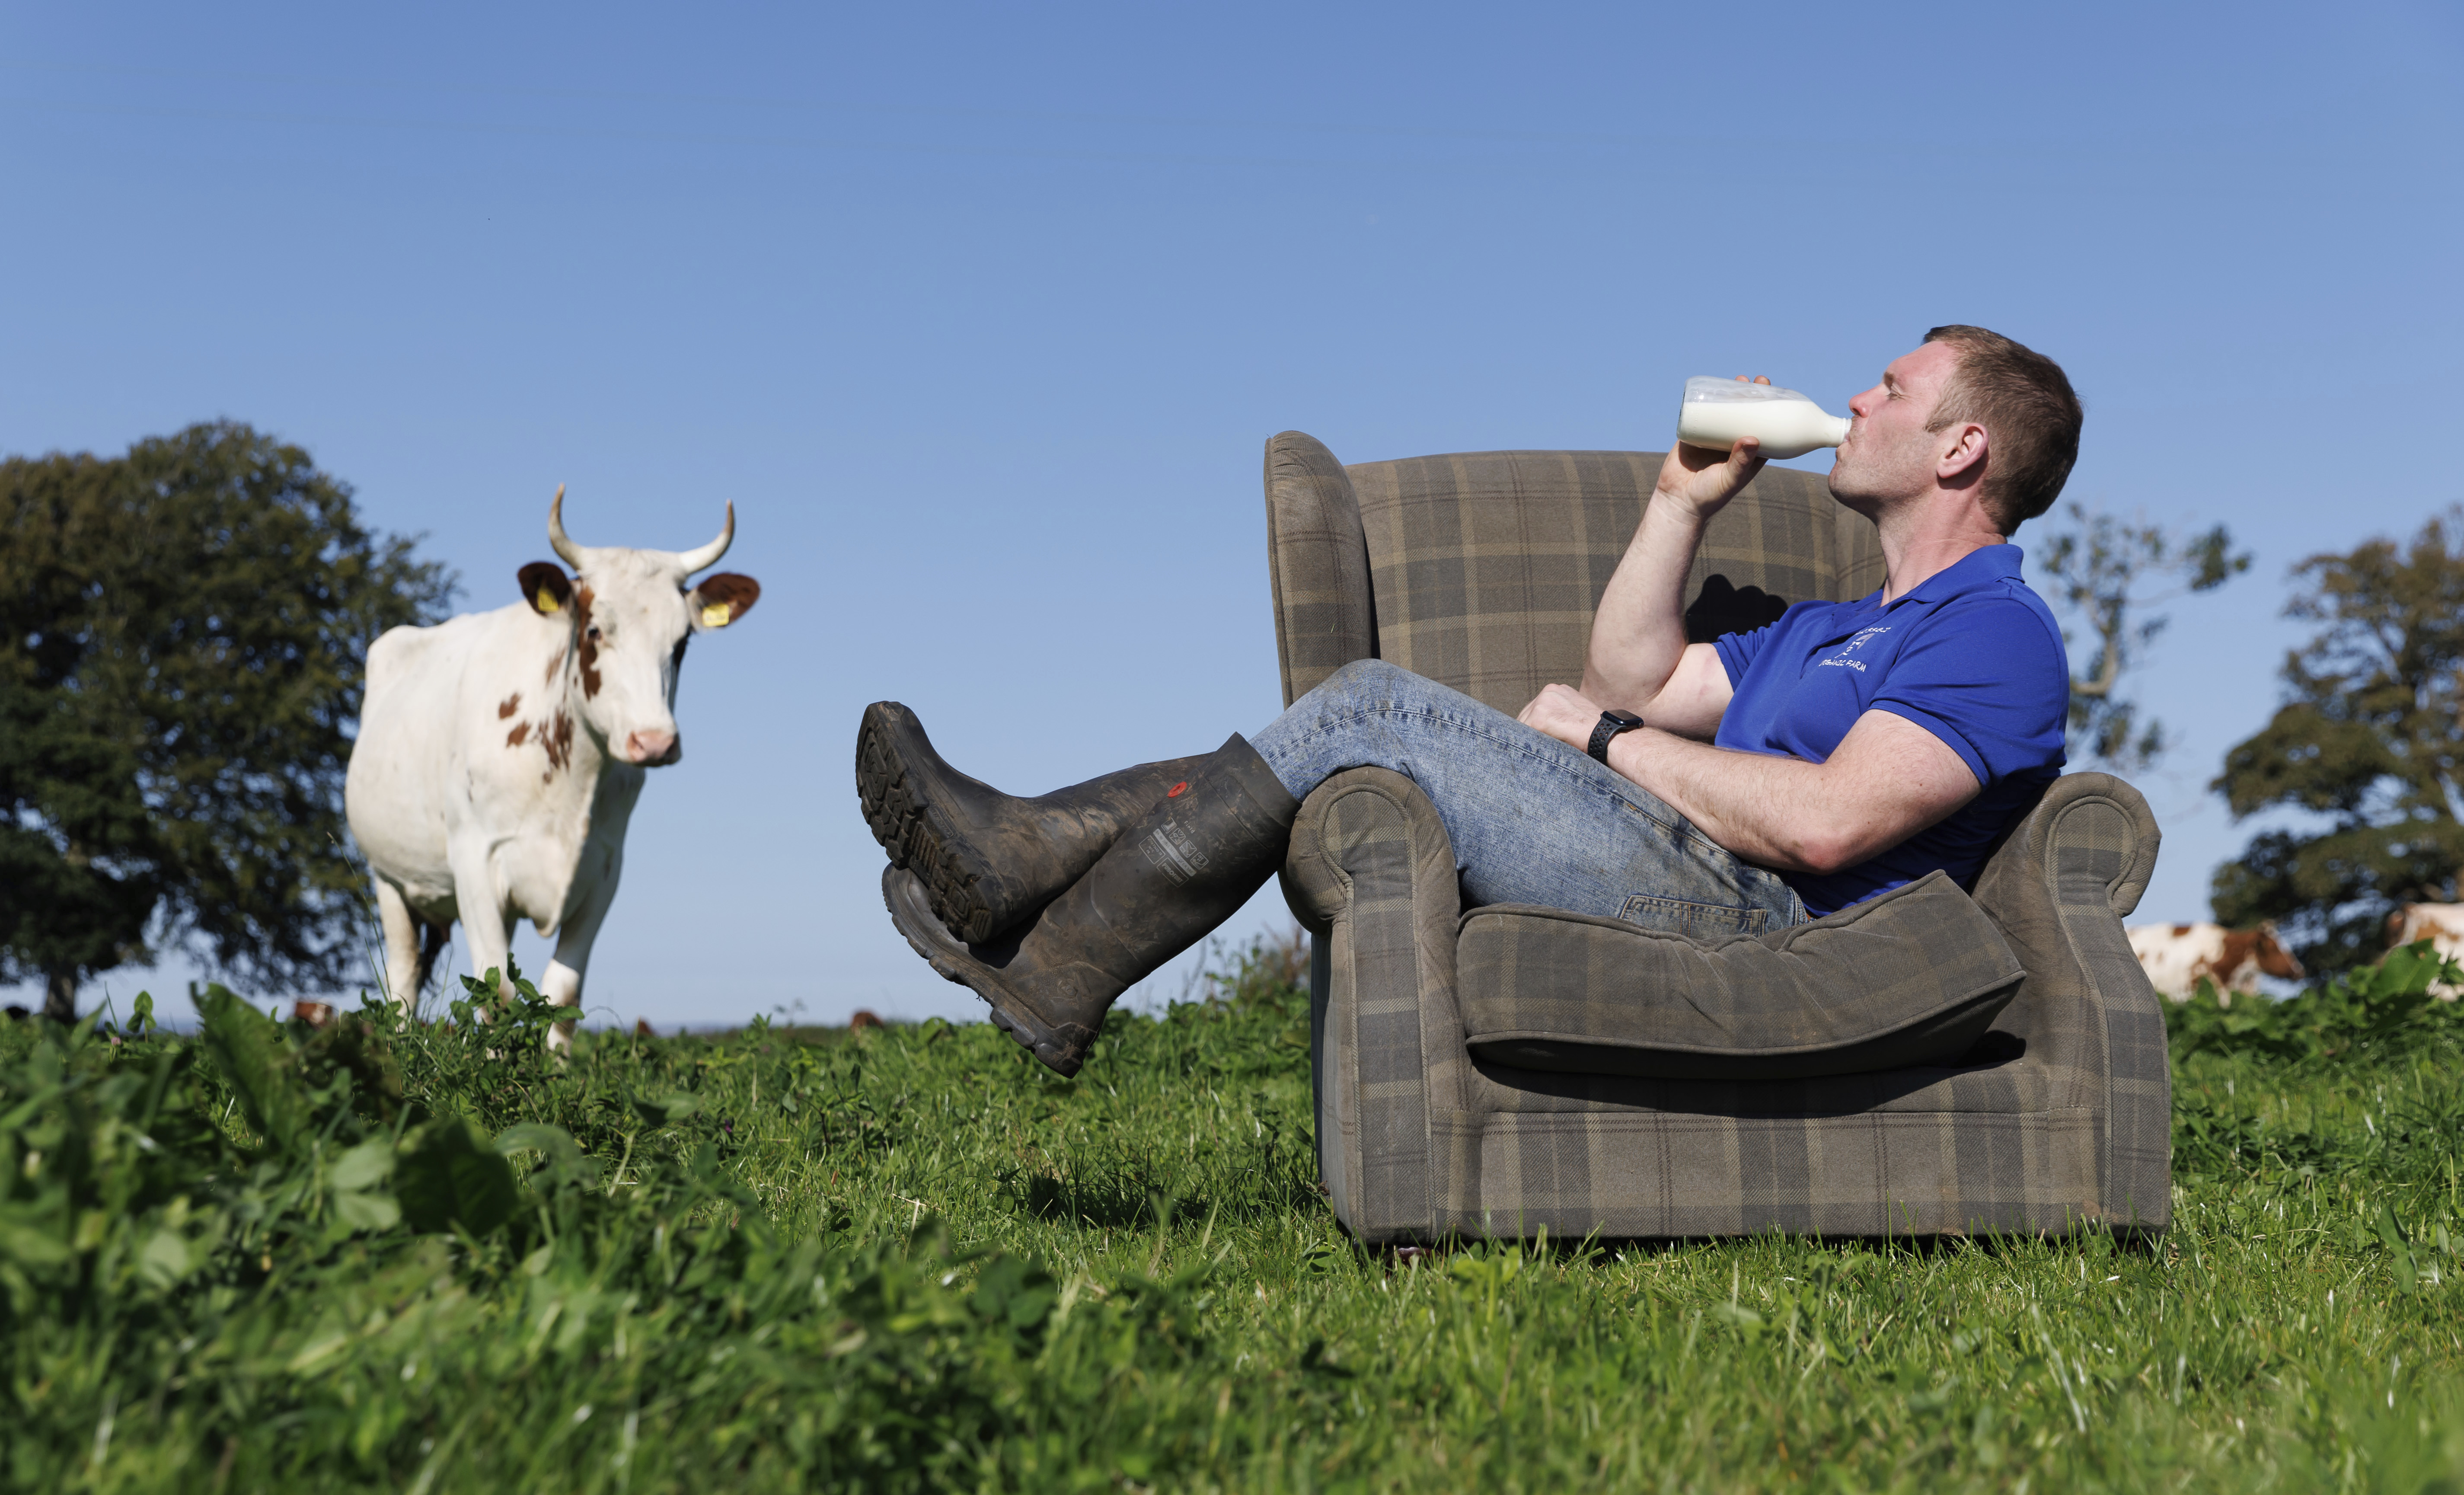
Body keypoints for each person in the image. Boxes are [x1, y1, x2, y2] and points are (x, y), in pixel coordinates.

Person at [858, 324, 2079, 1077]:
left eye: (1889, 388)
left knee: (1371, 707)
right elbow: (1635, 679)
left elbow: (1826, 825)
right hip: (1702, 863)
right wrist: (1680, 504)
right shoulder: (1834, 628)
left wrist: (1609, 745)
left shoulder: (1992, 633)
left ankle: (1045, 916)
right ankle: (1035, 895)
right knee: (1360, 723)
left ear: (1962, 448)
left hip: (1782, 920)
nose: (1857, 401)